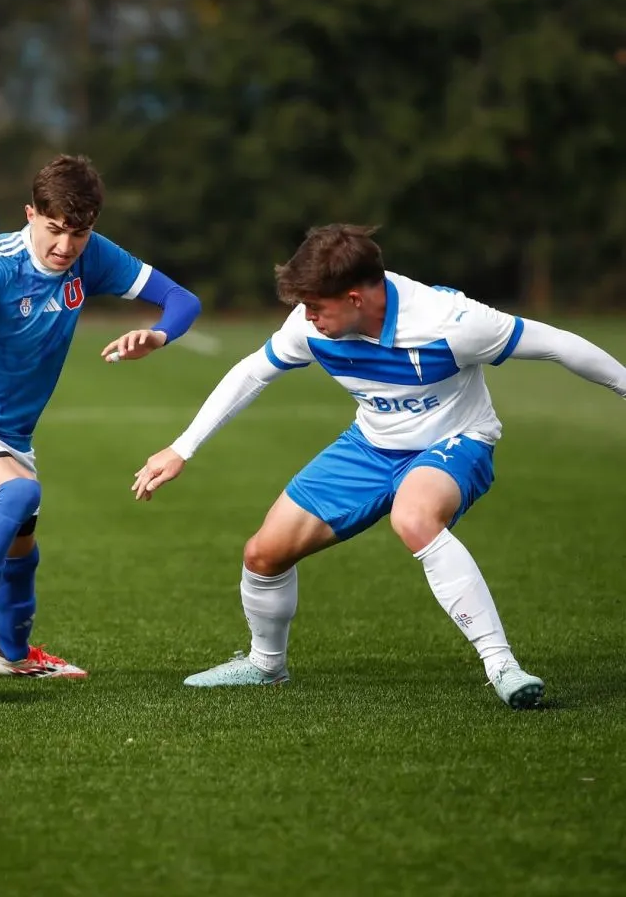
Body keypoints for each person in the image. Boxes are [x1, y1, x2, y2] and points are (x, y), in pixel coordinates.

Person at [133, 224, 626, 708]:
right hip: (370, 447)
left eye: (316, 307)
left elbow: (559, 344)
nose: (307, 318)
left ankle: (502, 665)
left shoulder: (450, 323)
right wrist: (182, 448)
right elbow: (252, 373)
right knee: (264, 555)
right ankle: (266, 666)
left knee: (412, 517)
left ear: (355, 298)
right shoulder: (309, 327)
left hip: (457, 441)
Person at [0, 154, 201, 680]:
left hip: (12, 437)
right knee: (19, 494)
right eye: (54, 230)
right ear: (30, 214)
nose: (65, 247)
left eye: (79, 233)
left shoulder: (91, 256)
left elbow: (181, 300)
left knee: (24, 547)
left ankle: (14, 658)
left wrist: (156, 336)